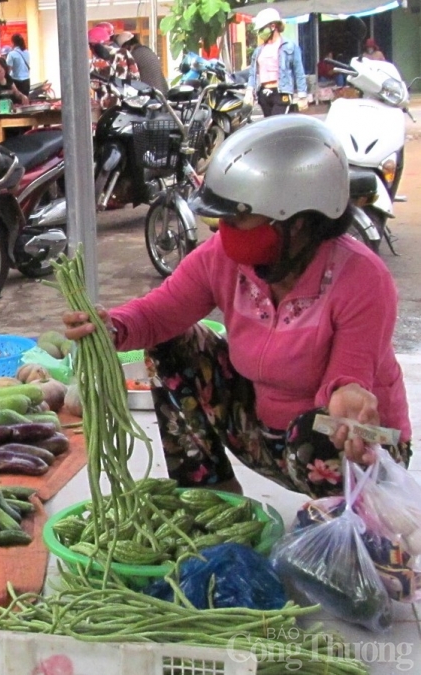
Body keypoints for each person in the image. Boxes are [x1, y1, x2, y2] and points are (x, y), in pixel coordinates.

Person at [62, 115, 411, 499]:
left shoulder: (362, 279)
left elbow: (348, 378)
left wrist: (348, 399)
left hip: (353, 450)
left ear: (295, 222)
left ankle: (336, 522)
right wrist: (111, 327)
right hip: (262, 433)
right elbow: (159, 315)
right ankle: (214, 498)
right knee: (172, 344)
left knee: (323, 432)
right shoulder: (223, 259)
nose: (221, 228)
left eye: (238, 217)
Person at [247, 8, 307, 116]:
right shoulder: (258, 50)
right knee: (268, 129)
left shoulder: (289, 47)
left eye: (262, 29)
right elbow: (252, 73)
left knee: (276, 125)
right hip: (264, 94)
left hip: (281, 93)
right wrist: (249, 91)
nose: (260, 33)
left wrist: (302, 96)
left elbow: (299, 72)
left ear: (273, 26)